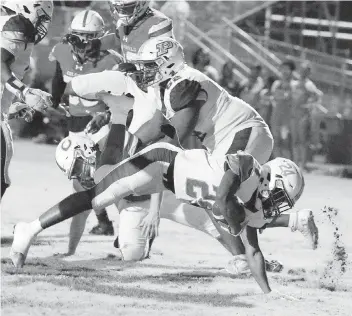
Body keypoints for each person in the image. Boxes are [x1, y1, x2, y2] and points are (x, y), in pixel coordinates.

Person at [49, 37, 318, 269]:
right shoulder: (164, 88)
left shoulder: (182, 85)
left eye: (148, 67)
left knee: (219, 196)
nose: (143, 73)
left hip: (242, 132)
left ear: (166, 63)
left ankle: (246, 257)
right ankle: (287, 226)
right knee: (220, 199)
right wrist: (125, 149)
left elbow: (171, 137)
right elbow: (153, 130)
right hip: (228, 139)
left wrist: (133, 158)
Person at [9, 137, 305, 294]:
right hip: (159, 162)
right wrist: (229, 209)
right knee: (96, 198)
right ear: (270, 180)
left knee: (228, 232)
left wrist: (268, 293)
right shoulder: (247, 166)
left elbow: (254, 252)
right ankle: (30, 229)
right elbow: (226, 186)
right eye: (280, 196)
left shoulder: (251, 204)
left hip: (171, 188)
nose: (276, 203)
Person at [78, 0, 175, 236]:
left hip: (154, 99)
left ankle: (150, 211)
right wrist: (100, 43)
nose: (122, 12)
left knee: (143, 158)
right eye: (118, 6)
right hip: (132, 98)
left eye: (128, 7)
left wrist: (135, 68)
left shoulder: (159, 23)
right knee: (97, 160)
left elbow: (165, 62)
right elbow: (120, 38)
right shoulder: (124, 22)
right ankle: (121, 214)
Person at [49, 9, 123, 236]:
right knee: (80, 179)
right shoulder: (62, 51)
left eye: (89, 38)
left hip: (105, 123)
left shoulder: (112, 61)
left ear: (100, 38)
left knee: (106, 174)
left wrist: (108, 115)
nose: (82, 44)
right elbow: (58, 78)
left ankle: (130, 222)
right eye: (78, 37)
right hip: (77, 121)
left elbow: (125, 99)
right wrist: (53, 103)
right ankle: (105, 222)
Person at [1, 1, 54, 199]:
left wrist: (10, 106)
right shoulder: (15, 24)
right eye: (41, 17)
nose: (42, 24)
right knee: (0, 180)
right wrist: (23, 91)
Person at [291, 62, 323, 170]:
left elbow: (318, 96)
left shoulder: (309, 84)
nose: (303, 72)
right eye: (302, 70)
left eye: (305, 71)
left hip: (303, 114)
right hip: (293, 114)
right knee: (295, 140)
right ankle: (295, 162)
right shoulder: (295, 83)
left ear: (308, 72)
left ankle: (303, 164)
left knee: (302, 139)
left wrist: (308, 105)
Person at [271, 60, 296, 159]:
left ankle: (287, 164)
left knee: (285, 142)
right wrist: (284, 95)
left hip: (287, 118)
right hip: (276, 116)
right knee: (275, 141)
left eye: (287, 69)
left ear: (291, 71)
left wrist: (282, 95)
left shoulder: (294, 84)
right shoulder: (276, 83)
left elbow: (288, 96)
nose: (285, 71)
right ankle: (277, 163)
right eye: (283, 68)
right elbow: (275, 95)